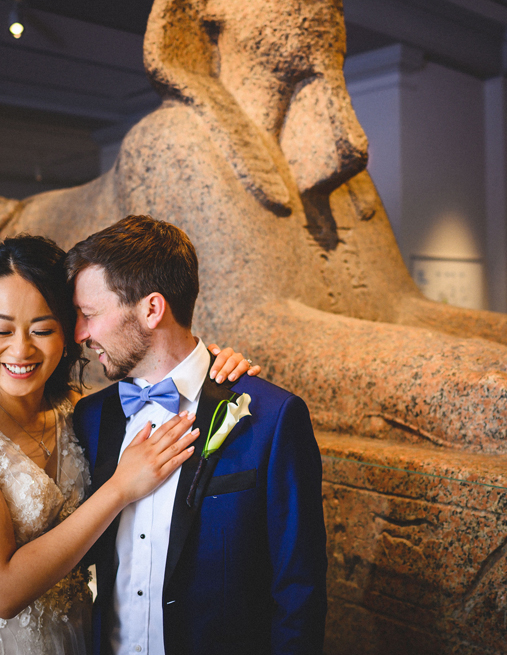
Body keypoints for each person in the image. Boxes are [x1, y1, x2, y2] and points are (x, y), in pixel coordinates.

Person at [0, 234, 257, 655]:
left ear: (70, 333)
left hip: (77, 639)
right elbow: (2, 593)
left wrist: (207, 367)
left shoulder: (82, 412)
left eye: (42, 329)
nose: (20, 349)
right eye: (0, 329)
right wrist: (120, 488)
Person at [68, 215, 327, 655]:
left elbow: (298, 589)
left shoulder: (270, 417)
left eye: (89, 315)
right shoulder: (90, 419)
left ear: (152, 309)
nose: (81, 334)